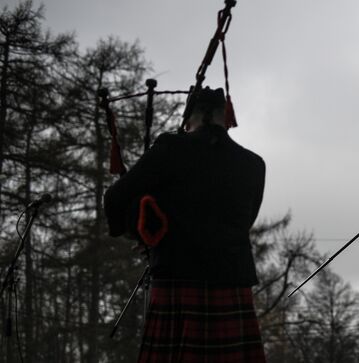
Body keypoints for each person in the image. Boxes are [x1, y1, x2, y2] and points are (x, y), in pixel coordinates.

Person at [104, 86, 267, 362]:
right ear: (224, 117)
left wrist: (141, 233)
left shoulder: (170, 148)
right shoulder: (254, 165)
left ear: (191, 118)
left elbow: (115, 198)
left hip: (177, 283)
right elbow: (245, 221)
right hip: (232, 284)